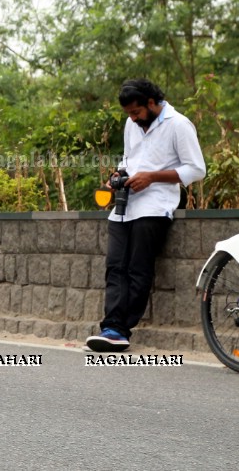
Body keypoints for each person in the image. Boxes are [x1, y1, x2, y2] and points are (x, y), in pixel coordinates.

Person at [86, 78, 205, 352]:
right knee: (115, 266)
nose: (133, 118)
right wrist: (117, 175)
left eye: (136, 112)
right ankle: (110, 327)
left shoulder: (178, 125)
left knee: (138, 268)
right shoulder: (132, 124)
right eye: (129, 114)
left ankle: (120, 330)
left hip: (155, 206)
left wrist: (152, 177)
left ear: (151, 103)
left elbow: (197, 169)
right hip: (124, 205)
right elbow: (129, 160)